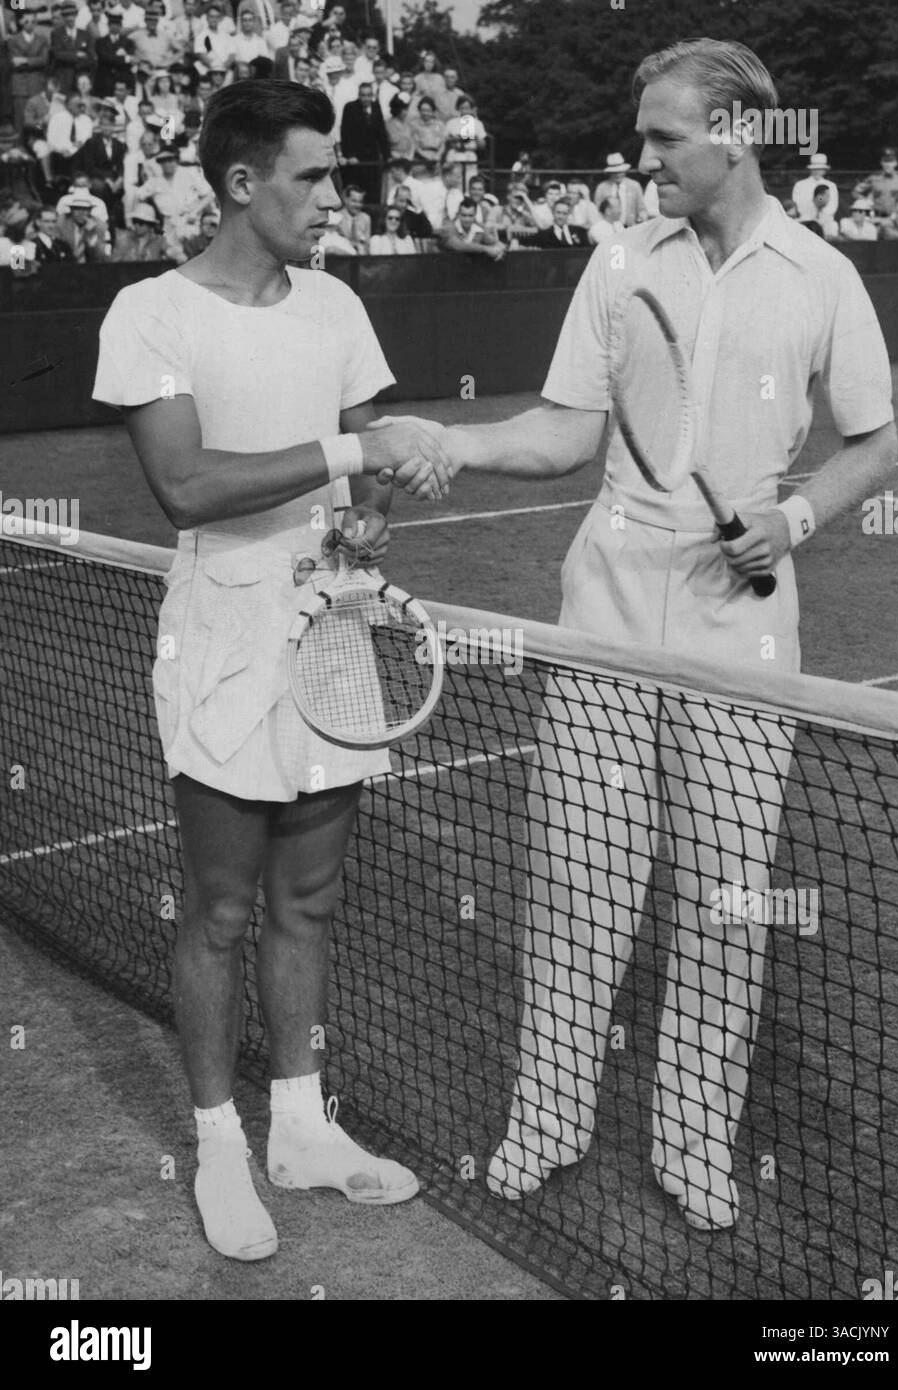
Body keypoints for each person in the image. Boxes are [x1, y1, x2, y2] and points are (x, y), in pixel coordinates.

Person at [402, 38, 897, 1232]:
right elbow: (566, 431)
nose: (644, 156)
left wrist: (790, 519)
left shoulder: (824, 274)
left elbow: (872, 443)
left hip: (746, 629)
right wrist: (456, 442)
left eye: (665, 136)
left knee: (727, 897)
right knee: (579, 879)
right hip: (609, 608)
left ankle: (693, 1139)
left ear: (735, 131)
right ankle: (548, 1116)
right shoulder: (617, 261)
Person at [91, 78, 454, 1265]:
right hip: (223, 635)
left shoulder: (339, 304)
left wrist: (372, 510)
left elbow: (365, 479)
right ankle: (219, 1146)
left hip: (333, 633)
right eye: (314, 176)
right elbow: (187, 488)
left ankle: (298, 1125)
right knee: (222, 906)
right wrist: (353, 453)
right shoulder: (148, 312)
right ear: (244, 184)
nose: (333, 198)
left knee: (308, 898)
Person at [338, 80, 388, 204]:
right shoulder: (350, 107)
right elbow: (346, 133)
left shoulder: (376, 107)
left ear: (372, 95)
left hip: (372, 158)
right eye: (363, 95)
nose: (366, 98)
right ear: (359, 95)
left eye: (368, 95)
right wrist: (350, 155)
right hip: (355, 160)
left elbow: (381, 133)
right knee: (355, 191)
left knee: (372, 194)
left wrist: (387, 156)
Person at [8, 11, 50, 134]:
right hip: (20, 85)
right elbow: (14, 62)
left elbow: (44, 60)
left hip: (36, 83)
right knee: (20, 119)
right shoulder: (13, 40)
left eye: (33, 21)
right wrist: (33, 61)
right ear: (21, 22)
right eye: (26, 21)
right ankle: (20, 147)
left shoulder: (42, 40)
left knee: (36, 119)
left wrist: (25, 60)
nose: (30, 24)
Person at [438, 195, 505, 259]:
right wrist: (486, 249)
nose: (467, 219)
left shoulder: (479, 229)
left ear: (475, 215)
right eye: (464, 215)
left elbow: (497, 243)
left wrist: (499, 249)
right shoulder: (448, 228)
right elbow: (459, 246)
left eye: (470, 216)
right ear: (458, 214)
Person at [594, 151, 646, 226]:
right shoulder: (602, 187)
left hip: (630, 226)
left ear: (625, 171)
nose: (618, 175)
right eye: (614, 172)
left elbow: (642, 209)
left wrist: (641, 219)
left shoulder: (634, 186)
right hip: (609, 228)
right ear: (609, 173)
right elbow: (597, 210)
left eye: (620, 171)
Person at [57, 189, 111, 258]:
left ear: (90, 211)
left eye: (85, 209)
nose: (81, 213)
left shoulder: (100, 226)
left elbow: (101, 256)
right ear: (71, 210)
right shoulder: (62, 223)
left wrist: (90, 235)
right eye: (77, 209)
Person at [791, 152, 838, 221]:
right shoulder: (800, 185)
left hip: (825, 219)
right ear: (810, 169)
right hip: (805, 218)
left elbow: (833, 205)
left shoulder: (831, 185)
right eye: (814, 169)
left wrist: (821, 213)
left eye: (820, 169)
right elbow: (797, 203)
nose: (817, 171)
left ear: (825, 170)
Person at [868, 147, 898, 217]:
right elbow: (856, 192)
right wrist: (867, 202)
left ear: (896, 163)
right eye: (885, 161)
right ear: (881, 162)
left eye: (891, 161)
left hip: (896, 217)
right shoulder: (873, 178)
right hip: (876, 216)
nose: (888, 165)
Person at [335, 181, 370, 254]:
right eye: (354, 201)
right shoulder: (337, 217)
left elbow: (367, 244)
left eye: (360, 202)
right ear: (346, 200)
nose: (357, 205)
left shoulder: (366, 218)